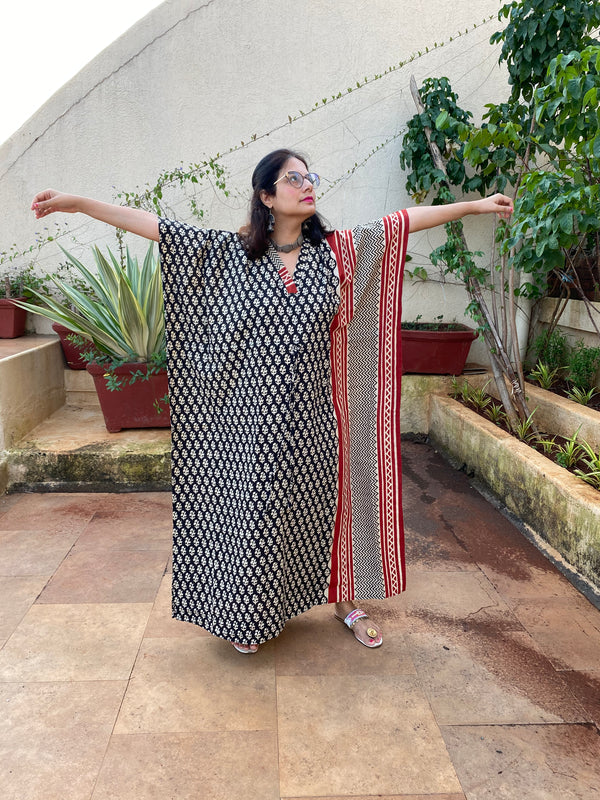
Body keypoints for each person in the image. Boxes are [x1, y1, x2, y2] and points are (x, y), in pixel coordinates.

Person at [32, 148, 512, 654]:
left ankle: (345, 602)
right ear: (266, 195)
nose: (307, 185)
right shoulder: (231, 253)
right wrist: (80, 203)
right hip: (250, 422)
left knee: (328, 510)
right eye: (293, 178)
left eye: (310, 176)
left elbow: (404, 221)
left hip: (317, 418)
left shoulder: (338, 252)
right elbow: (155, 226)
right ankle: (251, 616)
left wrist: (475, 206)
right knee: (259, 516)